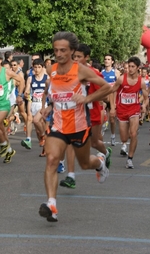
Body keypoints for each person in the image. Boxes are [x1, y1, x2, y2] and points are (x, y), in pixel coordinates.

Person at [38, 31, 111, 222]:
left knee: (85, 163)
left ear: (72, 51)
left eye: (63, 50)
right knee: (52, 160)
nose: (59, 54)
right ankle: (51, 204)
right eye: (56, 50)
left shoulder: (80, 70)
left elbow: (107, 87)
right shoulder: (51, 70)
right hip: (58, 124)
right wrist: (49, 106)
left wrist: (87, 98)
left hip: (79, 125)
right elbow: (54, 91)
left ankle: (100, 164)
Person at [60, 43, 112, 189]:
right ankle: (71, 176)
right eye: (74, 56)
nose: (75, 59)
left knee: (95, 143)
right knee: (71, 143)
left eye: (79, 57)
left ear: (86, 57)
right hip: (74, 115)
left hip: (92, 113)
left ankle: (105, 154)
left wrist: (88, 98)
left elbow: (106, 91)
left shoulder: (92, 73)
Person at [110, 56, 149, 169]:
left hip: (134, 109)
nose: (130, 69)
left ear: (137, 68)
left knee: (133, 134)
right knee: (124, 138)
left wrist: (144, 106)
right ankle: (127, 142)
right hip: (122, 110)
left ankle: (130, 159)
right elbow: (112, 92)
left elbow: (146, 97)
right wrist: (112, 108)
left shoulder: (141, 82)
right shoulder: (122, 79)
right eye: (129, 67)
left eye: (132, 67)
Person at [0, 50, 24, 164]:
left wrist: (19, 95)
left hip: (4, 105)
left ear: (0, 61)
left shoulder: (7, 72)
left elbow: (21, 80)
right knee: (0, 131)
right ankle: (9, 150)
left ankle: (4, 146)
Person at [21, 58, 48, 150]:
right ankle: (29, 140)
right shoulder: (30, 78)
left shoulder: (47, 78)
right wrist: (26, 93)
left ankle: (44, 135)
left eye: (39, 67)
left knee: (36, 120)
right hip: (34, 102)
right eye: (35, 67)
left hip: (44, 103)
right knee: (32, 122)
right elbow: (27, 89)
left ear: (42, 68)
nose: (36, 69)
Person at [101, 54, 120, 146]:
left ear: (112, 61)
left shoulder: (116, 73)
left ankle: (113, 136)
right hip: (103, 98)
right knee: (101, 116)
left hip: (113, 99)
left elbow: (118, 87)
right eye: (105, 59)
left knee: (112, 120)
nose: (106, 61)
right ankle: (101, 133)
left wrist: (115, 102)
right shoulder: (101, 73)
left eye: (108, 59)